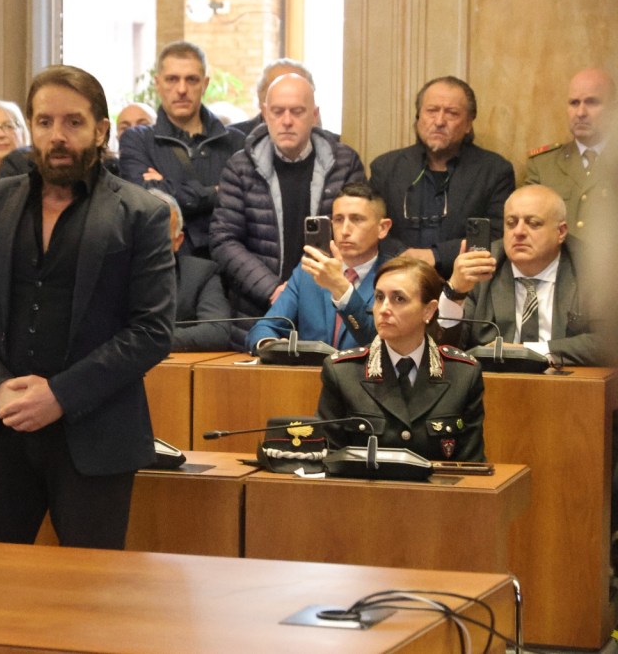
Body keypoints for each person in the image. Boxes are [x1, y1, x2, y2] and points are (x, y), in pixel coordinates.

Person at [0, 65, 175, 550]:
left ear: (101, 130)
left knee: (90, 602)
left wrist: (60, 396)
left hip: (95, 438)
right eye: (45, 123)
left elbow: (152, 331)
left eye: (73, 122)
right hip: (0, 432)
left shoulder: (141, 213)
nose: (57, 136)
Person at [211, 73, 365, 346]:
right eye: (277, 111)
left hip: (328, 301)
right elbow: (224, 240)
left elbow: (361, 232)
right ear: (264, 114)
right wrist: (274, 290)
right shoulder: (241, 166)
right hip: (258, 307)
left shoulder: (343, 162)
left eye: (297, 111)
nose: (286, 121)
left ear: (314, 114)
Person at [317, 256, 485, 462]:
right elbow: (330, 464)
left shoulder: (463, 374)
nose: (384, 309)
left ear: (429, 310)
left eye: (399, 299)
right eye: (379, 297)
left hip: (438, 493)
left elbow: (472, 469)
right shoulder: (342, 373)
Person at [369, 76, 515, 279]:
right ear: (418, 116)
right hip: (396, 279)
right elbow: (370, 226)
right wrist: (403, 255)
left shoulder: (494, 171)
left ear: (468, 124)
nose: (439, 121)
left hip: (466, 286)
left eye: (452, 113)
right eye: (431, 111)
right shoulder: (386, 168)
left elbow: (499, 235)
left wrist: (437, 255)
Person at [439, 185, 600, 365]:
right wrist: (455, 292)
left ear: (560, 232)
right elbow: (444, 350)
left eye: (533, 223)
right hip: (494, 386)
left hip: (569, 386)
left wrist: (530, 352)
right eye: (511, 223)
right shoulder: (482, 266)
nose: (519, 232)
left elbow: (608, 343)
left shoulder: (593, 270)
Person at [119, 41, 244, 257]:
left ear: (204, 84)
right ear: (158, 84)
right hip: (165, 267)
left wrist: (166, 185)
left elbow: (243, 205)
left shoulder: (235, 142)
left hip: (229, 268)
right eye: (172, 79)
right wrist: (214, 192)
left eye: (192, 80)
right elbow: (147, 202)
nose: (182, 89)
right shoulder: (138, 140)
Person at [246, 182, 393, 353]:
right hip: (308, 377)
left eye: (357, 219)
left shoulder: (395, 277)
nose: (345, 230)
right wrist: (271, 346)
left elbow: (383, 344)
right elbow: (264, 327)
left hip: (365, 377)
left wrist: (341, 288)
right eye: (338, 220)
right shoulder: (309, 270)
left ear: (382, 228)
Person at [526, 68, 615, 235]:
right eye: (574, 103)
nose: (580, 113)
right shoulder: (543, 164)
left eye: (592, 102)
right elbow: (529, 227)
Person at [152, 189, 230, 352]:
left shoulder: (200, 274)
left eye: (159, 237)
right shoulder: (110, 274)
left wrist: (149, 342)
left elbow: (217, 331)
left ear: (177, 241)